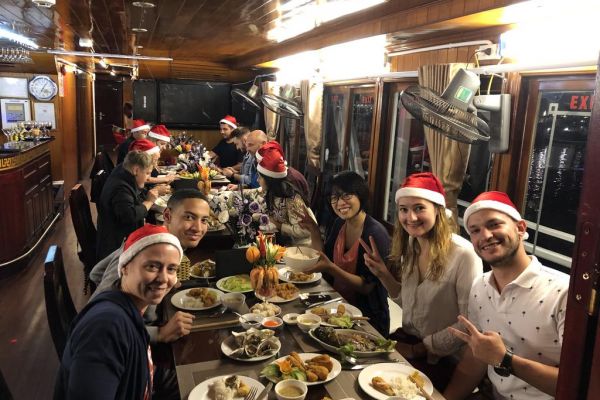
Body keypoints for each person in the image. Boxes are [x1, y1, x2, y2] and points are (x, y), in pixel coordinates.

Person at [444, 191, 569, 400]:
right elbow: (476, 360)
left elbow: (578, 385)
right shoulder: (480, 286)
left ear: (521, 228)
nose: (485, 236)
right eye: (475, 230)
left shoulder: (563, 292)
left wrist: (505, 360)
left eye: (494, 224)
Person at [361, 172, 482, 388]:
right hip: (406, 340)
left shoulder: (464, 255)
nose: (411, 217)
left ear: (438, 209)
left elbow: (470, 323)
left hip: (442, 360)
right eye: (403, 209)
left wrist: (419, 349)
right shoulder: (412, 244)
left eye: (419, 208)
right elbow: (410, 304)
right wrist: (383, 274)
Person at [54, 224, 183, 399]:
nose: (164, 278)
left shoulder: (128, 312)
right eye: (152, 266)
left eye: (171, 269)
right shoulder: (106, 327)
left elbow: (146, 371)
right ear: (125, 267)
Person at [90, 189, 210, 343]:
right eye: (189, 217)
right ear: (167, 215)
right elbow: (99, 326)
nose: (198, 228)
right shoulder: (145, 252)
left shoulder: (152, 240)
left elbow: (96, 272)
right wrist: (159, 333)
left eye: (204, 220)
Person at [301, 171, 391, 336]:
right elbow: (324, 257)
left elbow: (367, 287)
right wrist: (314, 230)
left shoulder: (375, 234)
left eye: (347, 195)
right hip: (336, 308)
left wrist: (331, 268)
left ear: (361, 195)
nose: (340, 203)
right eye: (334, 197)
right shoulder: (339, 224)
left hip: (366, 319)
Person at [96, 150, 158, 261]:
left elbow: (133, 198)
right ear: (136, 170)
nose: (148, 178)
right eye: (147, 173)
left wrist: (149, 202)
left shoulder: (122, 172)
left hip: (116, 237)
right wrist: (149, 202)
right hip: (115, 249)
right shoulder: (120, 188)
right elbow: (130, 215)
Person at [257, 147, 312, 246]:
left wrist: (279, 225)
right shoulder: (273, 192)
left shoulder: (292, 199)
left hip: (302, 246)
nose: (257, 180)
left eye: (260, 177)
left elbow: (305, 231)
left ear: (269, 180)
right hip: (286, 242)